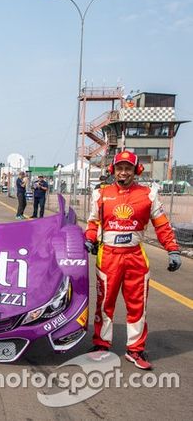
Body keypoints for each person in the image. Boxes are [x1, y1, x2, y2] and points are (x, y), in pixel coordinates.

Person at [84, 151, 182, 370]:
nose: (123, 172)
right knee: (105, 304)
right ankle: (101, 345)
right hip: (108, 256)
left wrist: (173, 249)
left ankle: (135, 350)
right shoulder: (101, 194)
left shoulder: (148, 194)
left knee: (137, 305)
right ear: (113, 170)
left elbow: (162, 225)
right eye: (120, 168)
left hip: (136, 256)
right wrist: (89, 240)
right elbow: (92, 223)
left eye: (128, 168)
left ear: (136, 170)